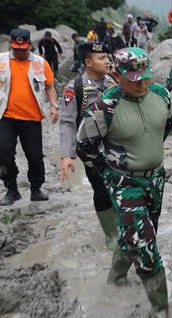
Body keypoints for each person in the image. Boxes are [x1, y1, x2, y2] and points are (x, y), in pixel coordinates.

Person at [76, 47, 172, 318]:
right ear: (116, 74)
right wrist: (110, 170)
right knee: (145, 243)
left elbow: (166, 125)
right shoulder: (103, 107)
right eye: (133, 79)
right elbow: (84, 147)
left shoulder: (163, 96)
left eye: (145, 78)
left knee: (137, 235)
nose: (141, 85)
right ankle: (160, 310)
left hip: (156, 179)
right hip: (124, 182)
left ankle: (116, 277)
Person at [0, 28, 58, 206]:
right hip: (4, 117)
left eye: (23, 48)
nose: (20, 52)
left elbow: (49, 86)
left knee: (35, 157)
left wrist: (53, 106)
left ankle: (36, 189)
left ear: (29, 45)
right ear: (11, 44)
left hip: (32, 118)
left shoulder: (40, 63)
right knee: (5, 156)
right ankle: (12, 190)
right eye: (16, 48)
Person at [60, 42, 118, 250]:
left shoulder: (115, 83)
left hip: (118, 147)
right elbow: (67, 122)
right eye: (101, 58)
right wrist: (67, 154)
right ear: (88, 62)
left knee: (121, 187)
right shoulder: (75, 88)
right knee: (101, 191)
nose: (107, 61)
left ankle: (121, 224)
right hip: (91, 150)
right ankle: (111, 234)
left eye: (107, 57)